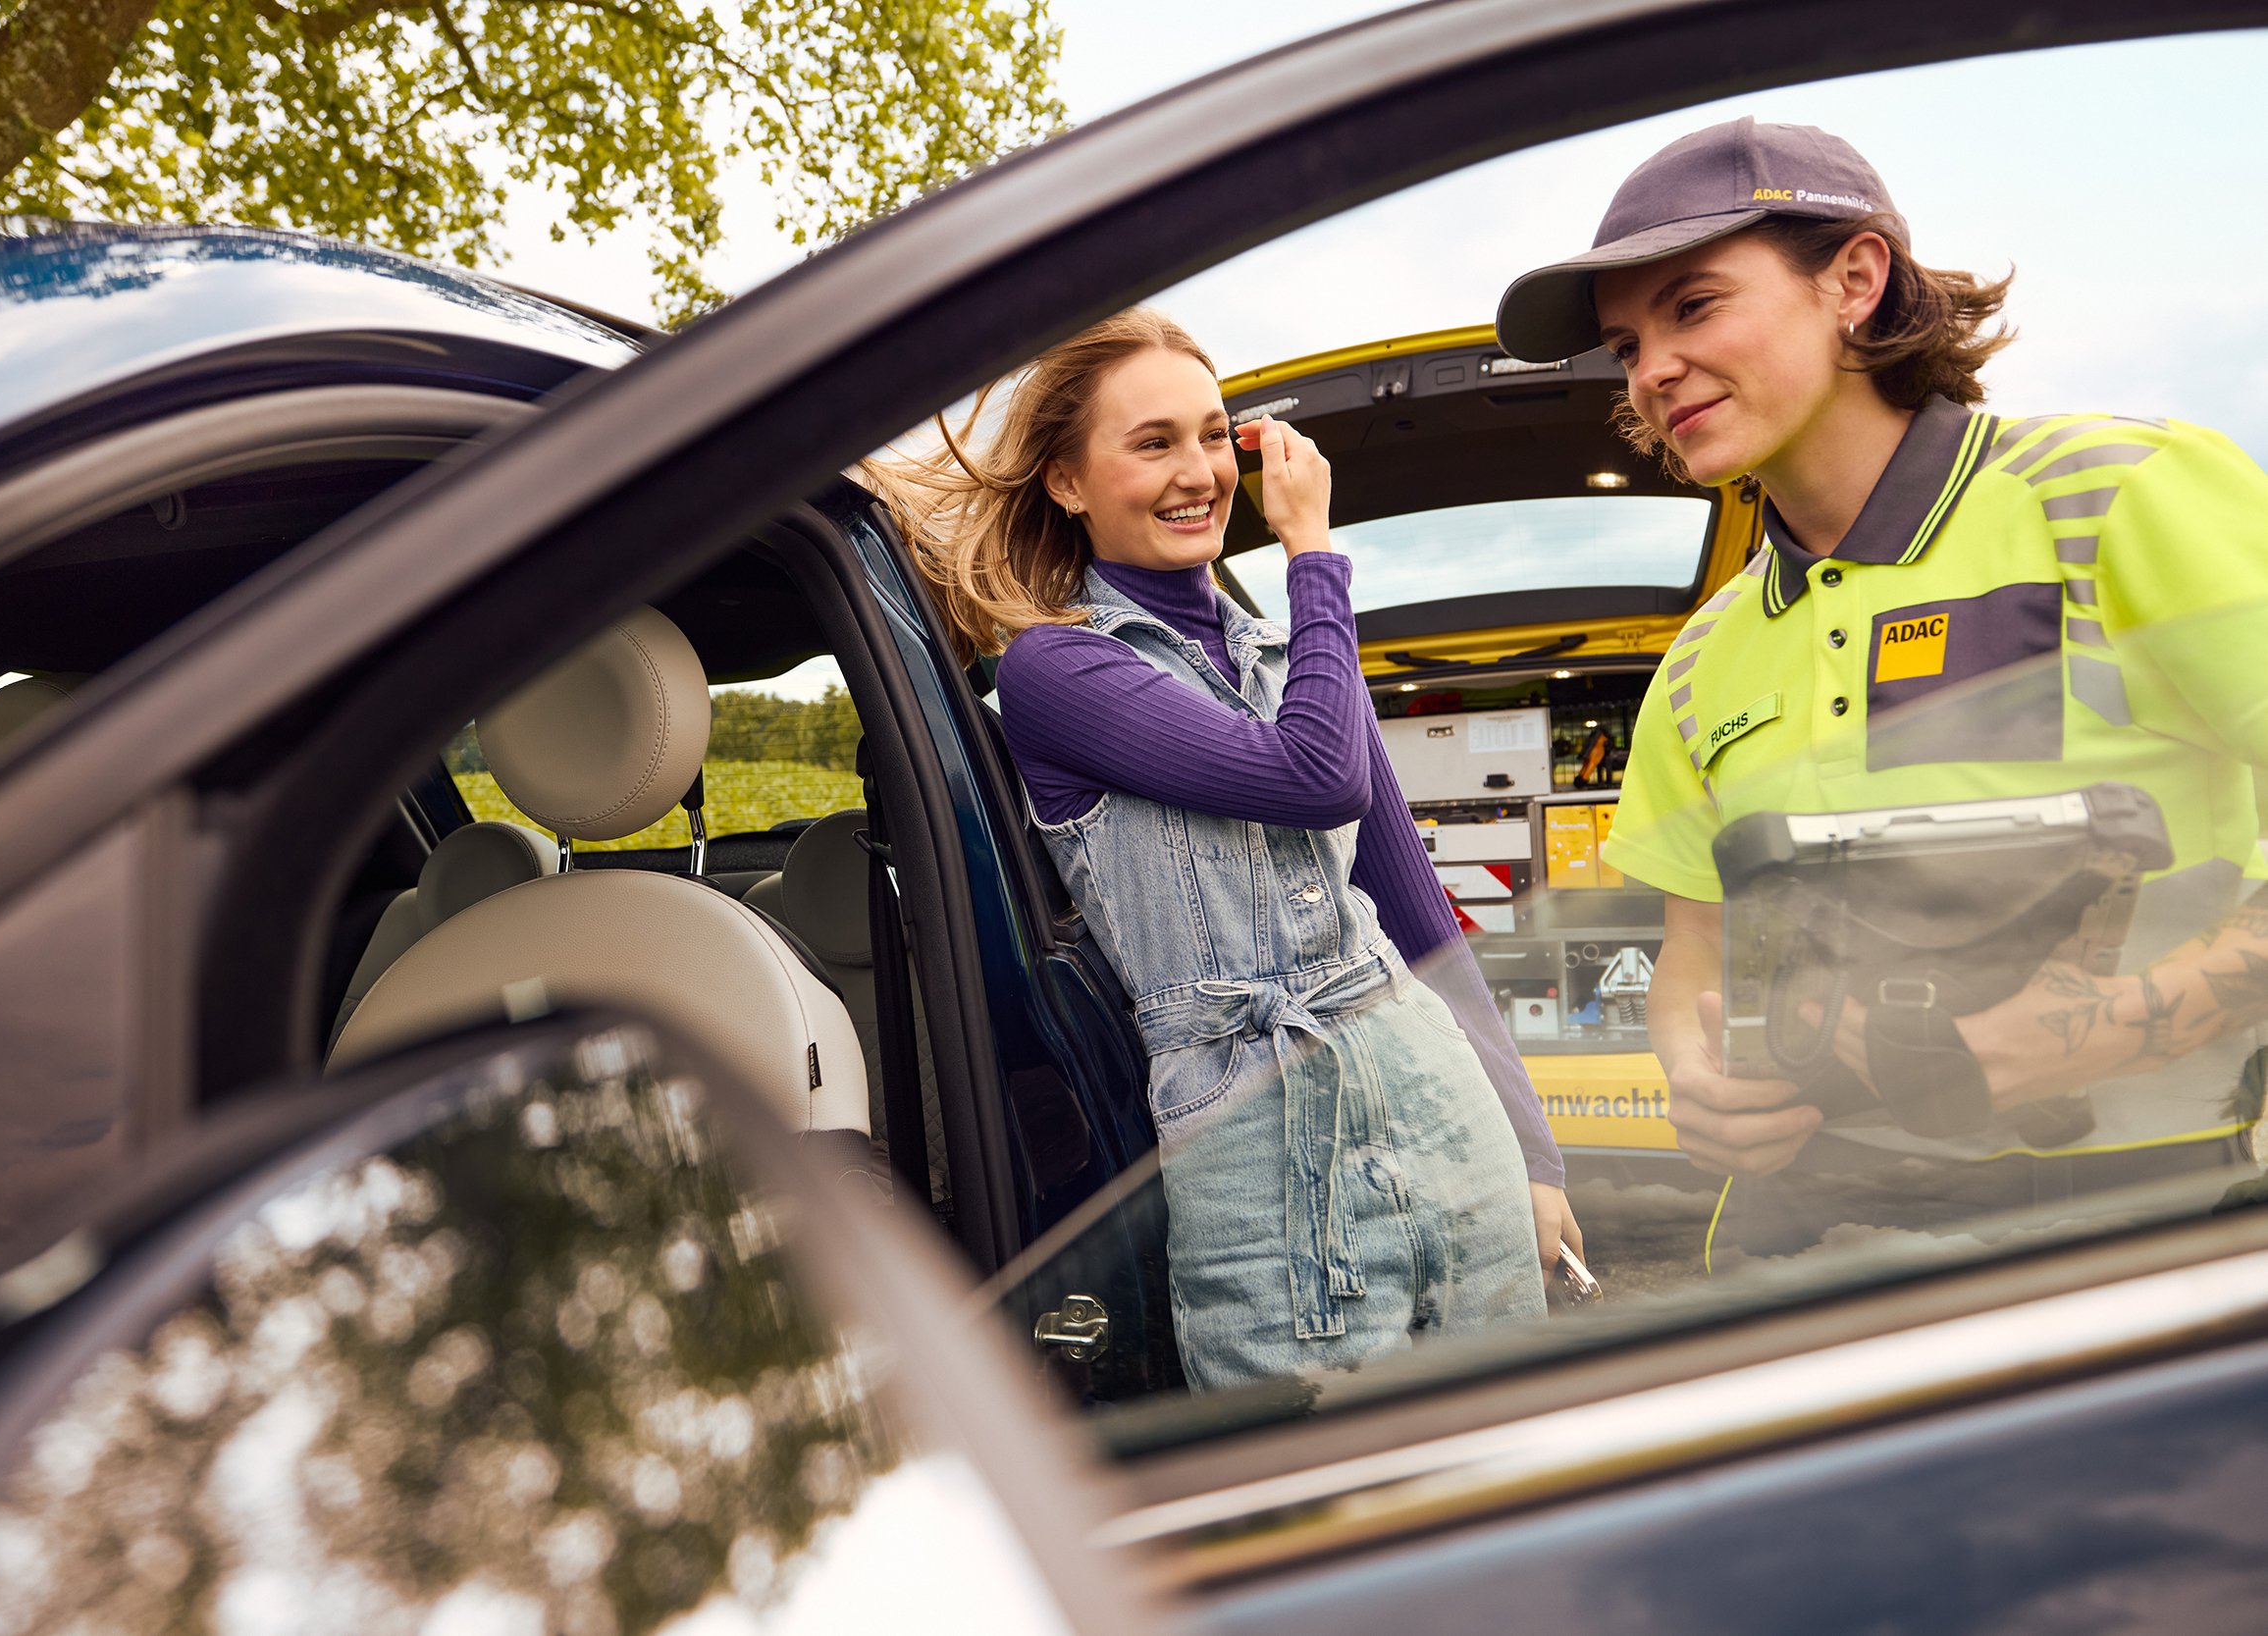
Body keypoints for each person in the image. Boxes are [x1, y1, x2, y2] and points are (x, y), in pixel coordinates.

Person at [1496, 118, 2268, 1261]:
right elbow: (1693, 956)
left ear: (1853, 280)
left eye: (1695, 307)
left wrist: (2095, 1033)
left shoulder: (2118, 495)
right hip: (1806, 1243)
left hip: (2139, 1227)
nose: (1651, 370)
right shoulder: (1705, 653)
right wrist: (1692, 1074)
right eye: (1623, 346)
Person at [868, 310, 1570, 1389]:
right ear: (1066, 481)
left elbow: (1411, 904)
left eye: (1210, 436)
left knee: (1517, 1452)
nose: (1197, 472)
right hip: (1256, 1136)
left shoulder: (1292, 650)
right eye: (1152, 443)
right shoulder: (1057, 669)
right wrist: (1312, 552)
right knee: (1308, 1508)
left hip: (1433, 1092)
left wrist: (1530, 1149)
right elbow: (1315, 778)